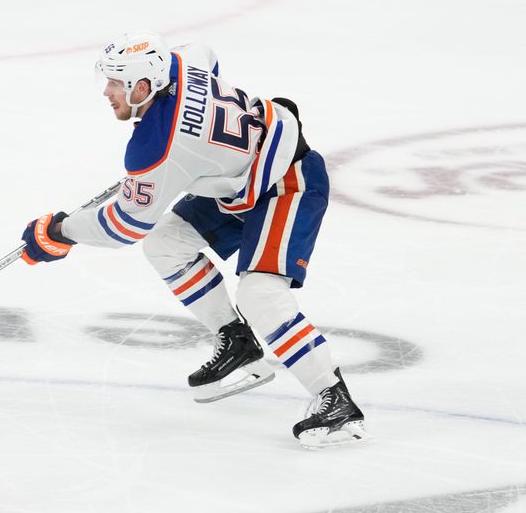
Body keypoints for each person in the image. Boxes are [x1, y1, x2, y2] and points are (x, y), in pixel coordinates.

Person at [19, 32, 370, 449]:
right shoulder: (179, 63)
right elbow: (206, 55)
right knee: (166, 243)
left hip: (287, 184)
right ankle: (238, 341)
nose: (107, 91)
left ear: (143, 87)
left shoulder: (156, 148)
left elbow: (124, 226)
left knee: (261, 294)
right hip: (242, 184)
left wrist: (61, 231)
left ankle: (336, 399)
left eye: (115, 82)